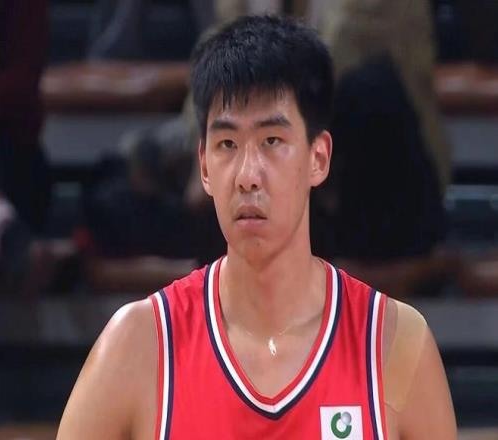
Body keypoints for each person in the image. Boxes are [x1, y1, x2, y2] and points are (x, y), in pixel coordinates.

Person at [57, 15, 457, 439]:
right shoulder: (139, 344)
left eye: (272, 141)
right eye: (227, 144)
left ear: (318, 158)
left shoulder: (395, 344)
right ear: (204, 166)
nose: (248, 175)